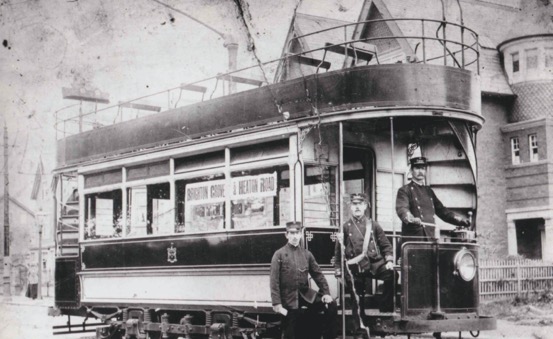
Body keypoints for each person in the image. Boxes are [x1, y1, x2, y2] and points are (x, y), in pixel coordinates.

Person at [334, 193, 396, 339]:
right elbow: (338, 253)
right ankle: (359, 329)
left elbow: (386, 244)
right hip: (355, 267)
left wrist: (389, 261)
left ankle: (385, 309)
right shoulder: (345, 227)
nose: (357, 207)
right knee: (357, 296)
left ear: (365, 206)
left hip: (374, 264)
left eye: (360, 204)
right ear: (350, 207)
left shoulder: (373, 225)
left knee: (392, 275)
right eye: (354, 204)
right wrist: (338, 271)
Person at [270, 221, 337, 339]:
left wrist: (326, 293)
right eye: (292, 233)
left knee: (331, 304)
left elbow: (318, 275)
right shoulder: (279, 255)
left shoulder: (307, 254)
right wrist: (277, 303)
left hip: (305, 296)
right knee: (291, 333)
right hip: (288, 300)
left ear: (301, 234)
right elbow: (274, 281)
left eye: (297, 233)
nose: (295, 236)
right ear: (286, 235)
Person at [395, 156, 471, 244]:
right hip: (414, 240)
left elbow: (443, 211)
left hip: (430, 238)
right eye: (417, 168)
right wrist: (410, 218)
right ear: (411, 170)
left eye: (423, 168)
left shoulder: (428, 191)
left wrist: (460, 220)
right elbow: (402, 208)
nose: (420, 172)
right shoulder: (405, 190)